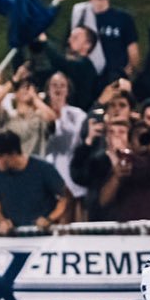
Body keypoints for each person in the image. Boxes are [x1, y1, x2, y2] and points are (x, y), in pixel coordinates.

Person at [0, 131, 72, 235]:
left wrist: (49, 219)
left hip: (44, 238)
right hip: (13, 238)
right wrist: (2, 220)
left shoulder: (43, 168)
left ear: (13, 153)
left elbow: (65, 197)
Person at [99, 120, 150, 221]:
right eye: (137, 135)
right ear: (130, 142)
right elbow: (104, 200)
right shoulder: (125, 163)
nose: (141, 137)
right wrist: (117, 177)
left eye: (144, 134)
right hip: (132, 229)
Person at [75, 0, 140, 82]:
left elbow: (133, 51)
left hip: (115, 78)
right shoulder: (80, 18)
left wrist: (128, 73)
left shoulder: (123, 18)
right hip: (87, 79)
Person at [43, 72, 90, 220]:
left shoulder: (78, 115)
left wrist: (60, 116)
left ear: (68, 90)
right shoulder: (40, 114)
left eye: (62, 85)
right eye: (54, 85)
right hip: (49, 174)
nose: (58, 89)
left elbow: (72, 141)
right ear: (48, 89)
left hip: (71, 174)